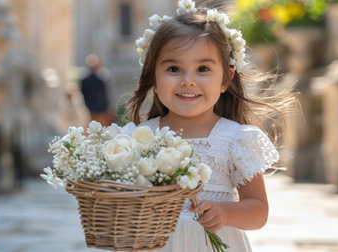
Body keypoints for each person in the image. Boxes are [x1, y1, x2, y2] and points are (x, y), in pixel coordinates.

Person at [125, 1, 298, 251]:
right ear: (153, 77)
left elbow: (259, 210)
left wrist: (226, 213)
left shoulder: (236, 139)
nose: (188, 81)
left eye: (203, 69)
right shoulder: (140, 137)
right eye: (174, 69)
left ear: (226, 79)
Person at [80, 54, 113, 126]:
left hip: (89, 108)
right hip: (99, 109)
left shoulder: (84, 79)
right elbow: (104, 95)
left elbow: (82, 93)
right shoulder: (100, 79)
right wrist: (107, 108)